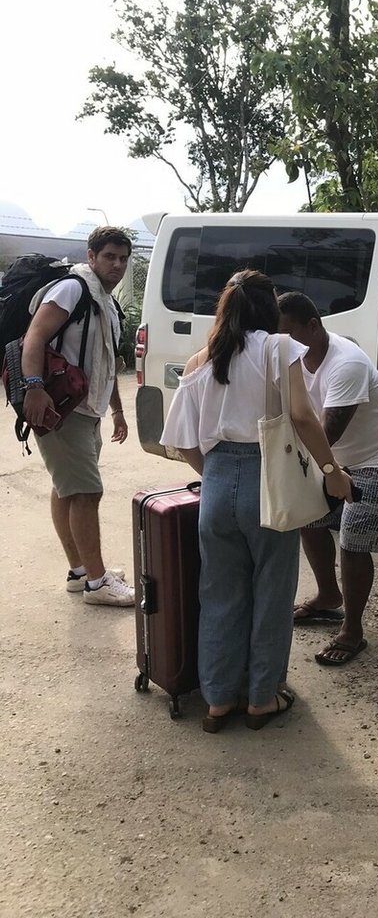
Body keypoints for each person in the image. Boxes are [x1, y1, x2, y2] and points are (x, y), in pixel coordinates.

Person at [160, 270, 352, 733]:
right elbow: (304, 418)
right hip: (269, 481)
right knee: (271, 592)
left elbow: (183, 441)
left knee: (219, 594)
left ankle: (218, 699)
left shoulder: (200, 361)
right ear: (269, 306)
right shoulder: (278, 348)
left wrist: (217, 476)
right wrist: (333, 473)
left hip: (218, 481)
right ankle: (263, 697)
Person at [278, 292, 378, 666]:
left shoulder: (346, 363)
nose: (283, 344)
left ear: (314, 326)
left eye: (290, 335)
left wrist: (300, 465)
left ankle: (352, 631)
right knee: (309, 519)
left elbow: (327, 433)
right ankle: (327, 597)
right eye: (278, 337)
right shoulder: (289, 357)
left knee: (353, 541)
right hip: (334, 456)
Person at [21, 226, 135, 607]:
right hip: (59, 407)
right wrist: (34, 388)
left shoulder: (104, 299)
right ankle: (97, 582)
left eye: (123, 258)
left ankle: (80, 571)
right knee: (86, 491)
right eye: (109, 257)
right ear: (91, 256)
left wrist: (117, 410)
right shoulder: (73, 289)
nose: (117, 265)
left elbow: (108, 360)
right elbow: (35, 337)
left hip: (87, 410)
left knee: (66, 488)